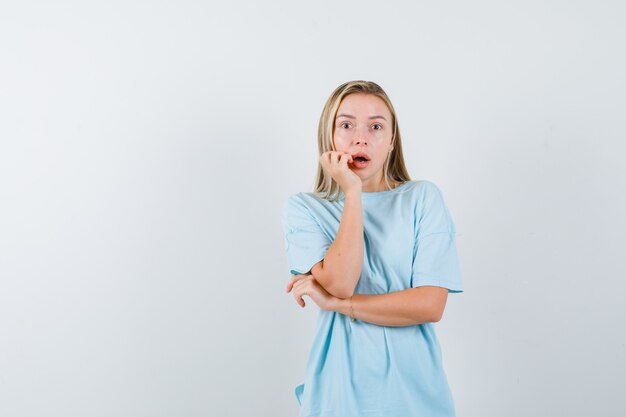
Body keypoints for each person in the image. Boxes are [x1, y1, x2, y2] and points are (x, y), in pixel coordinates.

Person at [280, 80, 464, 417]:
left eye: (376, 126)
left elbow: (429, 304)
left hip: (414, 393)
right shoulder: (304, 208)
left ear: (392, 141)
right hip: (339, 393)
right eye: (346, 125)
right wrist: (352, 192)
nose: (360, 138)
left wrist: (337, 304)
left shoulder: (422, 198)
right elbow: (340, 281)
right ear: (329, 136)